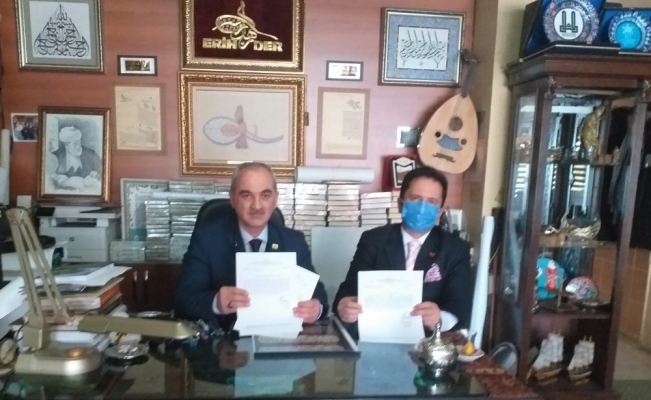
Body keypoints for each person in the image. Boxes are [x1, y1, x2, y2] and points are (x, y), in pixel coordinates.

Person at [174, 162, 329, 331]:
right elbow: (183, 299)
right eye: (247, 196)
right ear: (233, 199)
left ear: (275, 199)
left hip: (278, 337)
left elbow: (318, 296)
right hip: (225, 339)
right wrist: (216, 302)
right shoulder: (207, 239)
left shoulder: (294, 241)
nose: (257, 206)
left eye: (265, 195)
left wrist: (316, 309)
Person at [334, 166, 472, 334]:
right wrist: (344, 305)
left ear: (440, 211)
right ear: (400, 204)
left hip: (429, 339)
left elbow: (459, 305)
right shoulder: (374, 240)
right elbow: (348, 291)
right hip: (376, 334)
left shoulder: (455, 249)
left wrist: (440, 319)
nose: (422, 207)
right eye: (415, 198)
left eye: (431, 202)